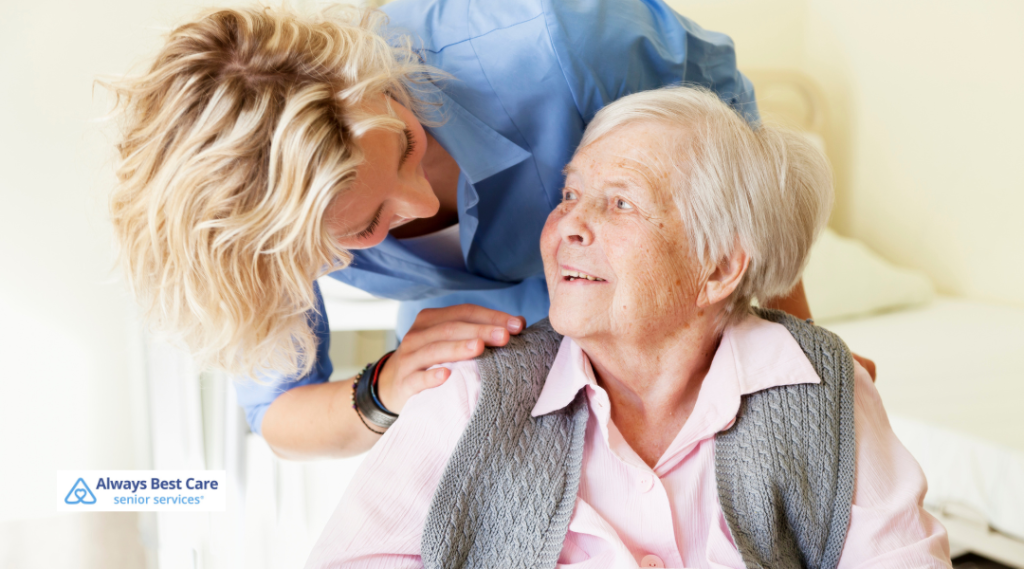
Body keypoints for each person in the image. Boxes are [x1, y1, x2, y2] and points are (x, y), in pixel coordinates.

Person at [106, 0, 871, 460]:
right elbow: (277, 415)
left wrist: (794, 356)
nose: (414, 207)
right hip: (496, 384)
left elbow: (738, 170)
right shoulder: (262, 240)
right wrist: (384, 388)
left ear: (365, 84)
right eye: (368, 228)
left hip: (676, 331)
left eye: (405, 146)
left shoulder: (554, 40)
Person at [304, 86, 950, 568]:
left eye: (619, 201)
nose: (569, 226)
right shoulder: (471, 392)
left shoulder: (825, 391)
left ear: (719, 265)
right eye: (568, 195)